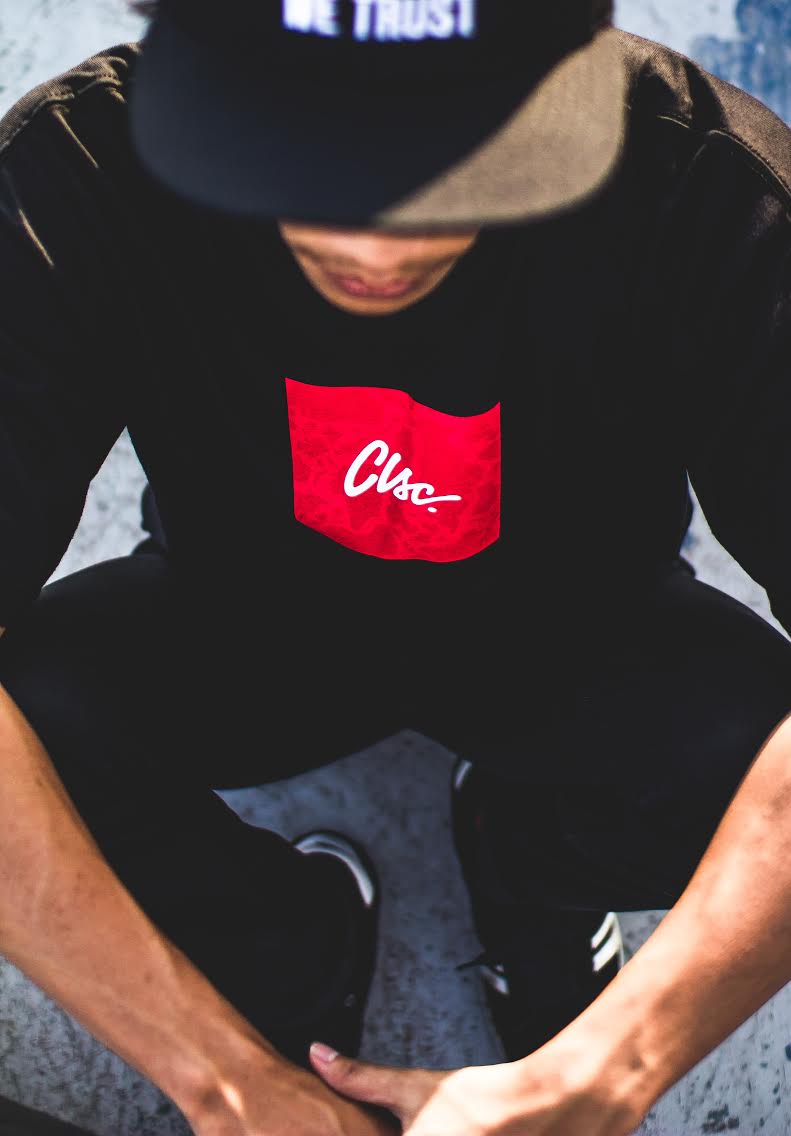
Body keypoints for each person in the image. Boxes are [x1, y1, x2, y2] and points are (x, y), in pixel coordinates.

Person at [0, 2, 790, 1134]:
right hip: (241, 622)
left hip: (578, 633)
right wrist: (227, 1080)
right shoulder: (68, 173)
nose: (378, 242)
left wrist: (603, 1070)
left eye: (452, 142)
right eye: (302, 137)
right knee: (39, 718)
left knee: (747, 748)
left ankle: (529, 860)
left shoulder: (708, 183)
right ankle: (284, 941)